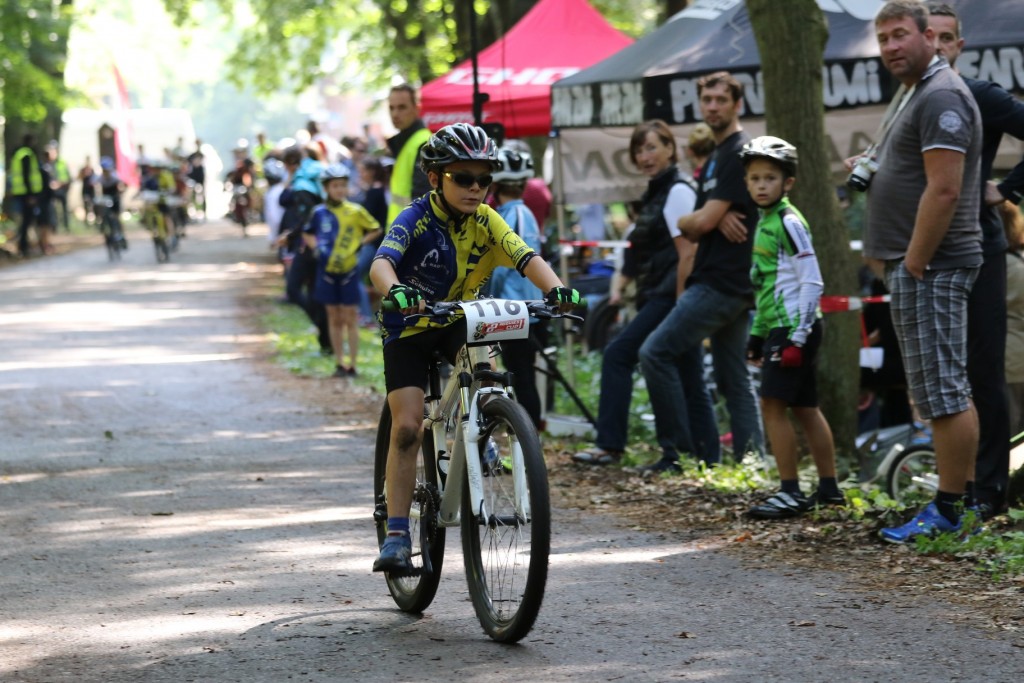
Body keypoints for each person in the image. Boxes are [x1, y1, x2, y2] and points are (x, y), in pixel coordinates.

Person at [368, 123, 581, 574]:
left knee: (487, 369)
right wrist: (396, 290)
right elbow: (382, 263)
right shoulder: (415, 217)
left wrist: (558, 289)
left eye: (484, 179)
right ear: (435, 178)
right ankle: (397, 534)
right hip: (408, 325)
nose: (475, 188)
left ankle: (482, 425)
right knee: (407, 427)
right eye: (462, 178)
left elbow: (525, 257)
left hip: (458, 318)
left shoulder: (488, 219)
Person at [856, 1, 983, 543]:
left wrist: (913, 261)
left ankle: (950, 511)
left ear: (929, 36)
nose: (890, 46)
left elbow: (946, 188)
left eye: (900, 35)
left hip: (933, 264)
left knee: (943, 392)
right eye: (883, 38)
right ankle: (962, 503)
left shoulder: (941, 94)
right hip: (921, 266)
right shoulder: (917, 92)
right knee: (940, 389)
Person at [638, 71, 765, 473]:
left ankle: (677, 454)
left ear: (737, 104)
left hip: (720, 282)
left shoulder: (738, 152)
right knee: (734, 379)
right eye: (707, 100)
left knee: (654, 352)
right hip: (728, 282)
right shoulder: (717, 157)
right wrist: (709, 216)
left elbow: (698, 223)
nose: (712, 107)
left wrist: (702, 218)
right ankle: (752, 465)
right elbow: (704, 220)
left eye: (720, 100)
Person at [573, 120, 719, 467]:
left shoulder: (677, 191)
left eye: (652, 147)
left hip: (671, 297)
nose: (644, 156)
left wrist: (683, 304)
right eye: (639, 150)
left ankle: (620, 446)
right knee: (690, 375)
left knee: (619, 354)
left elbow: (688, 252)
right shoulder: (658, 191)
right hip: (663, 294)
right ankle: (703, 457)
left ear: (670, 148)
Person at [927, 2, 1024, 519]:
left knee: (983, 370)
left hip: (980, 248)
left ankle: (989, 492)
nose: (938, 46)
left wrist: (1007, 189)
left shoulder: (981, 95)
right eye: (930, 36)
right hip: (927, 253)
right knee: (943, 373)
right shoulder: (910, 101)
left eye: (947, 38)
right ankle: (954, 488)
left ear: (959, 47)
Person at [738, 136, 842, 518]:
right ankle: (829, 489)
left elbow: (812, 280)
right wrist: (757, 333)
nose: (762, 185)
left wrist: (797, 337)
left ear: (788, 183)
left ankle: (790, 492)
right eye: (755, 178)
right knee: (806, 408)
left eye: (770, 178)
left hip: (794, 328)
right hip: (780, 326)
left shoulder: (788, 220)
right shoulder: (764, 220)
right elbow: (768, 284)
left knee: (772, 405)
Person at [487, 146, 549, 429]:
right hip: (523, 308)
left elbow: (506, 265)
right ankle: (525, 430)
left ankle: (528, 432)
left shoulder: (513, 215)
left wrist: (485, 293)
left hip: (515, 309)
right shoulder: (523, 213)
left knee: (520, 375)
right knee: (520, 374)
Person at [304, 164, 382, 377]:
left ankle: (353, 364)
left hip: (349, 271)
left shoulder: (355, 211)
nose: (339, 190)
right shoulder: (318, 212)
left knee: (350, 316)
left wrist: (359, 244)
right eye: (335, 186)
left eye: (343, 185)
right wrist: (316, 248)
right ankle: (339, 362)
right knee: (333, 316)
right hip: (326, 271)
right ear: (326, 188)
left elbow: (376, 229)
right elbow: (307, 233)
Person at [279, 145, 329, 352]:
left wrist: (290, 236)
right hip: (324, 242)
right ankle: (326, 341)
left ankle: (324, 330)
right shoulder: (314, 173)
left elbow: (307, 219)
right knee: (315, 293)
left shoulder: (302, 184)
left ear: (290, 164)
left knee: (294, 289)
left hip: (309, 245)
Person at [385, 84, 432, 225]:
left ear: (417, 109)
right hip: (401, 230)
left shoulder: (423, 143)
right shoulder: (405, 141)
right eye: (391, 108)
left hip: (411, 231)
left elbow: (423, 199)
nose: (395, 114)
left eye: (402, 107)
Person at [355, 156, 389, 324]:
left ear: (372, 172)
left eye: (362, 171)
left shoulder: (375, 192)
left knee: (354, 275)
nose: (360, 174)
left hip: (373, 242)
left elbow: (369, 219)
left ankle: (366, 316)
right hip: (375, 242)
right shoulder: (377, 190)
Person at [1003, 201, 1024, 438]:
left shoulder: (1000, 265)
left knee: (1010, 426)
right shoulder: (1018, 261)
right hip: (1017, 354)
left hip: (1006, 356)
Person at [9, 133, 44, 258]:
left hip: (21, 193)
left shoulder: (19, 153)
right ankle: (23, 247)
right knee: (26, 221)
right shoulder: (26, 155)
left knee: (26, 220)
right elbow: (26, 175)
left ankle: (24, 245)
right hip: (26, 194)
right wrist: (31, 195)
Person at [44, 141, 72, 232]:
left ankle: (66, 227)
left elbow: (69, 178)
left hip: (62, 190)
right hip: (51, 191)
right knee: (52, 209)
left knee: (65, 209)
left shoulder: (62, 163)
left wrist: (59, 183)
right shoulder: (47, 164)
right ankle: (54, 227)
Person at [77, 156, 98, 225]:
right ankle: (86, 221)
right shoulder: (83, 169)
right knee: (86, 205)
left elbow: (95, 179)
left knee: (93, 205)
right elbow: (78, 178)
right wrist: (84, 175)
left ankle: (95, 220)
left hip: (91, 190)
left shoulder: (92, 169)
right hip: (85, 189)